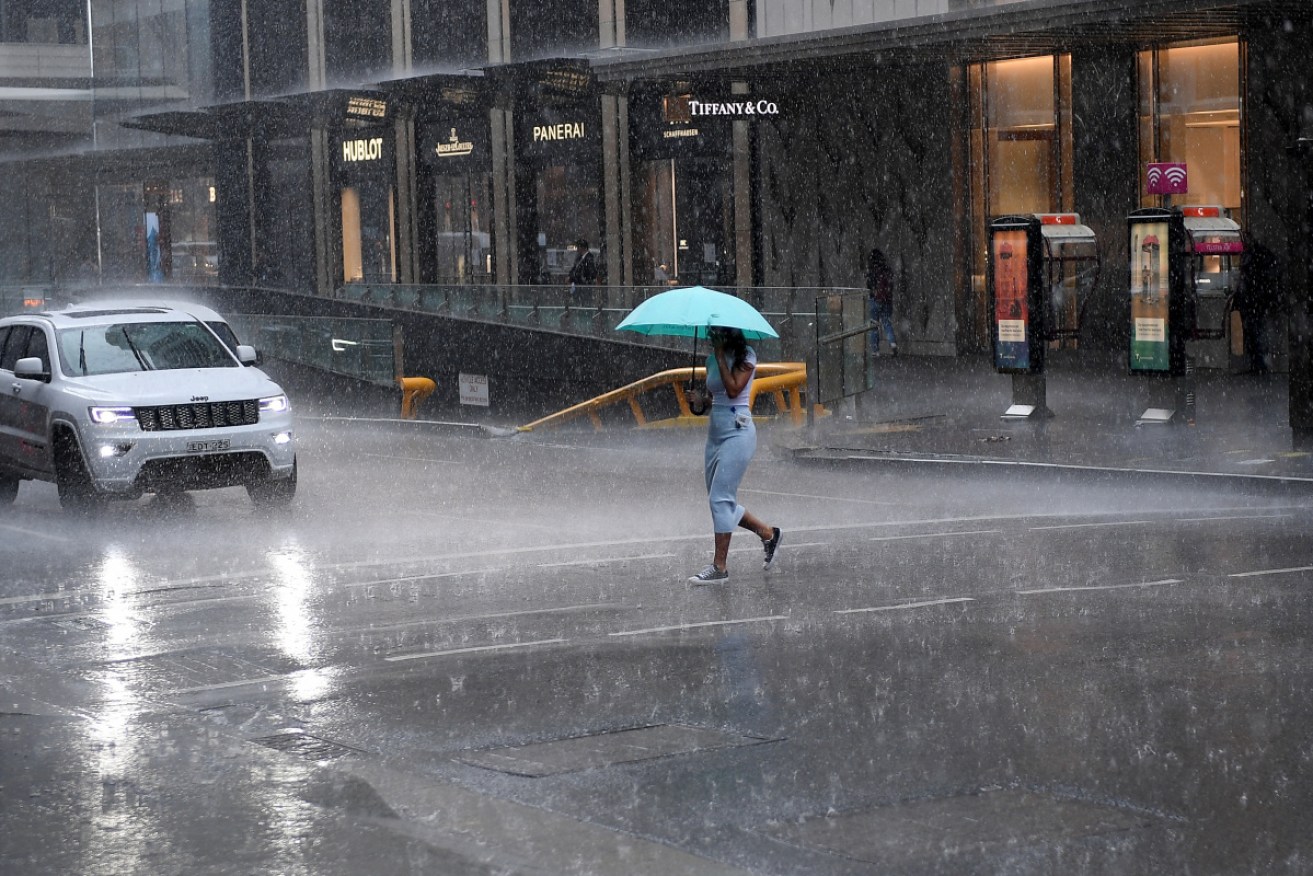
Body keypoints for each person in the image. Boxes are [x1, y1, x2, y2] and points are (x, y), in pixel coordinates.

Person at [686, 326, 782, 583]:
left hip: (738, 433)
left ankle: (720, 568)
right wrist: (699, 401)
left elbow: (733, 390)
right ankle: (769, 534)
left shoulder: (746, 355)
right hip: (715, 435)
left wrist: (719, 355)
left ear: (728, 332)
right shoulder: (709, 360)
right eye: (709, 332)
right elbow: (715, 399)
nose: (710, 336)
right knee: (719, 500)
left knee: (720, 499)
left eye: (715, 332)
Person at [1237, 237, 1280, 374]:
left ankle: (1258, 363)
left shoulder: (1253, 259)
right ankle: (1259, 363)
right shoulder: (1260, 257)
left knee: (1254, 332)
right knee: (1257, 332)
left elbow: (1247, 280)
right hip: (1256, 302)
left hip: (1253, 302)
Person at [866, 246, 897, 356]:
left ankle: (875, 351)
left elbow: (869, 286)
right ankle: (892, 343)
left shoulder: (872, 270)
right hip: (886, 300)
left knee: (874, 326)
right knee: (887, 323)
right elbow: (891, 285)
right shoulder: (887, 269)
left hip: (874, 300)